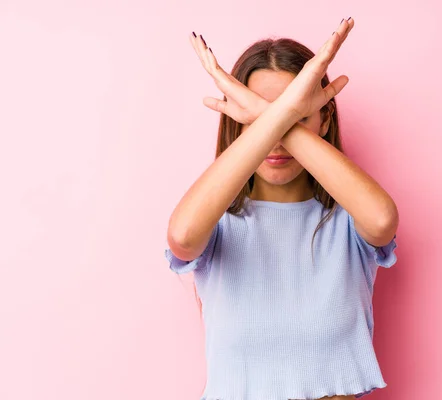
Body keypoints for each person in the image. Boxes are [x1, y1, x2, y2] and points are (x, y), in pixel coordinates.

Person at [164, 17, 399, 400]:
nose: (273, 141)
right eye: (258, 119)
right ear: (235, 125)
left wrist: (268, 117)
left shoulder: (348, 221)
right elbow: (182, 237)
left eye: (296, 113)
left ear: (324, 118)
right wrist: (287, 114)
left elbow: (382, 220)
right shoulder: (217, 224)